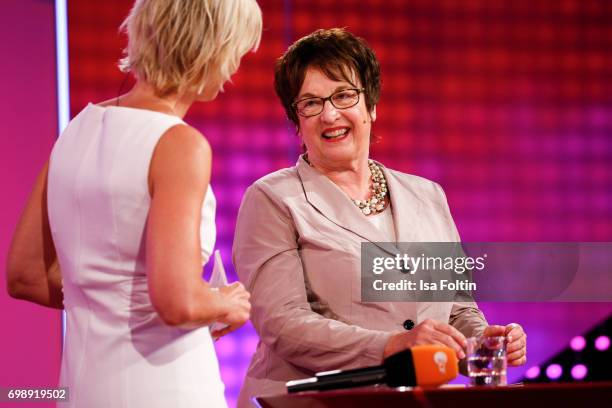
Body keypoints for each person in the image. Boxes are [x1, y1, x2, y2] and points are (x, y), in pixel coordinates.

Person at [232, 28, 527, 406]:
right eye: (310, 103)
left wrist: (482, 342)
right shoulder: (273, 199)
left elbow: (455, 305)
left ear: (371, 105)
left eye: (343, 95)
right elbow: (283, 325)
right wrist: (393, 344)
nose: (330, 115)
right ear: (296, 121)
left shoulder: (427, 196)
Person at [6, 1, 261, 407]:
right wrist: (224, 304)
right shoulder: (180, 145)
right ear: (212, 48)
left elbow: (25, 276)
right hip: (165, 389)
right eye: (236, 51)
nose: (233, 68)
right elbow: (177, 301)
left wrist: (108, 301)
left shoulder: (78, 130)